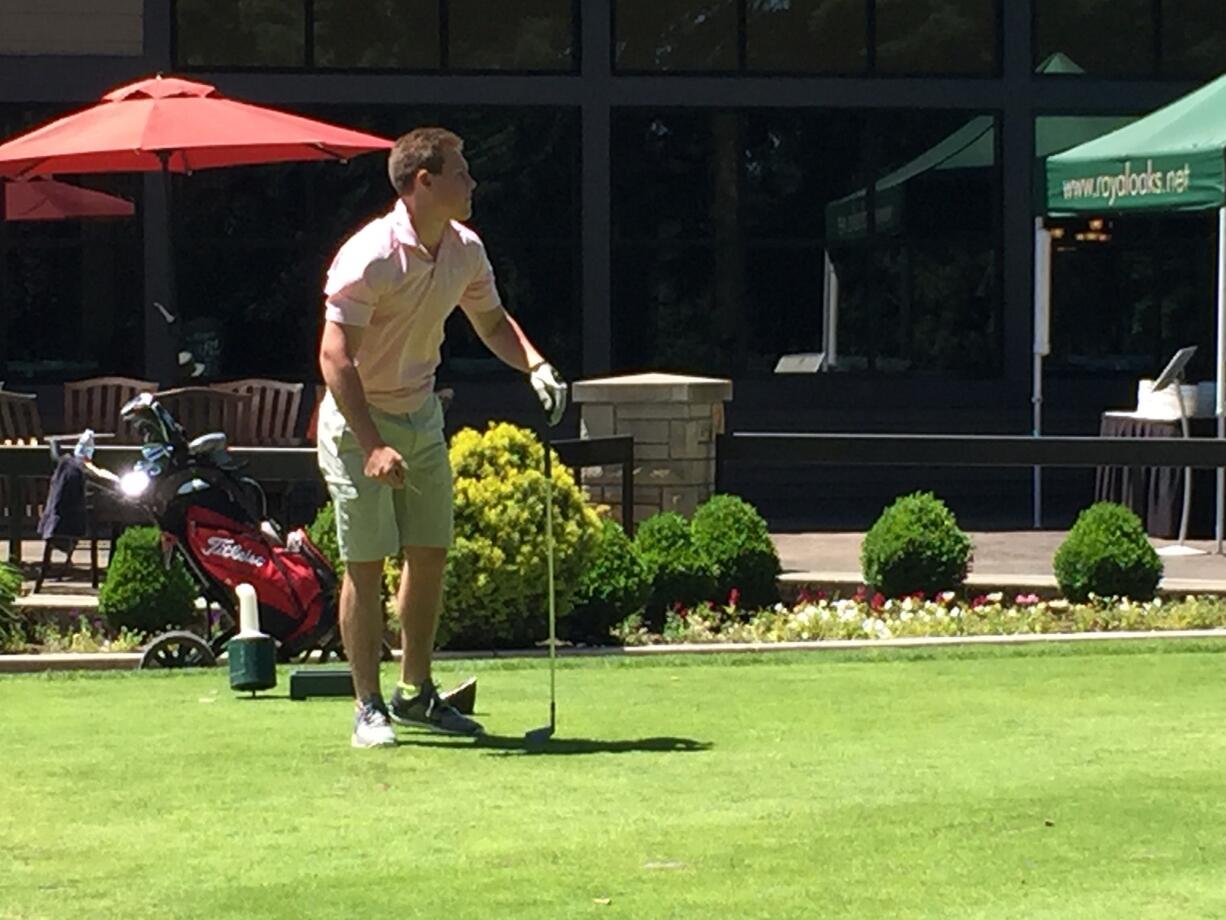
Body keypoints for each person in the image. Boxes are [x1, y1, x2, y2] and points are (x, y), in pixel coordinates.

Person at [317, 127, 567, 748]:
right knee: (367, 564)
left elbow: (490, 321)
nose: (473, 183)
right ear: (423, 182)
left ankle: (416, 693)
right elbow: (334, 357)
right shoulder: (370, 254)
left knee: (428, 553)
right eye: (461, 173)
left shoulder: (466, 250)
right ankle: (367, 706)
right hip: (357, 423)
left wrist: (535, 363)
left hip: (421, 417)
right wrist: (372, 444)